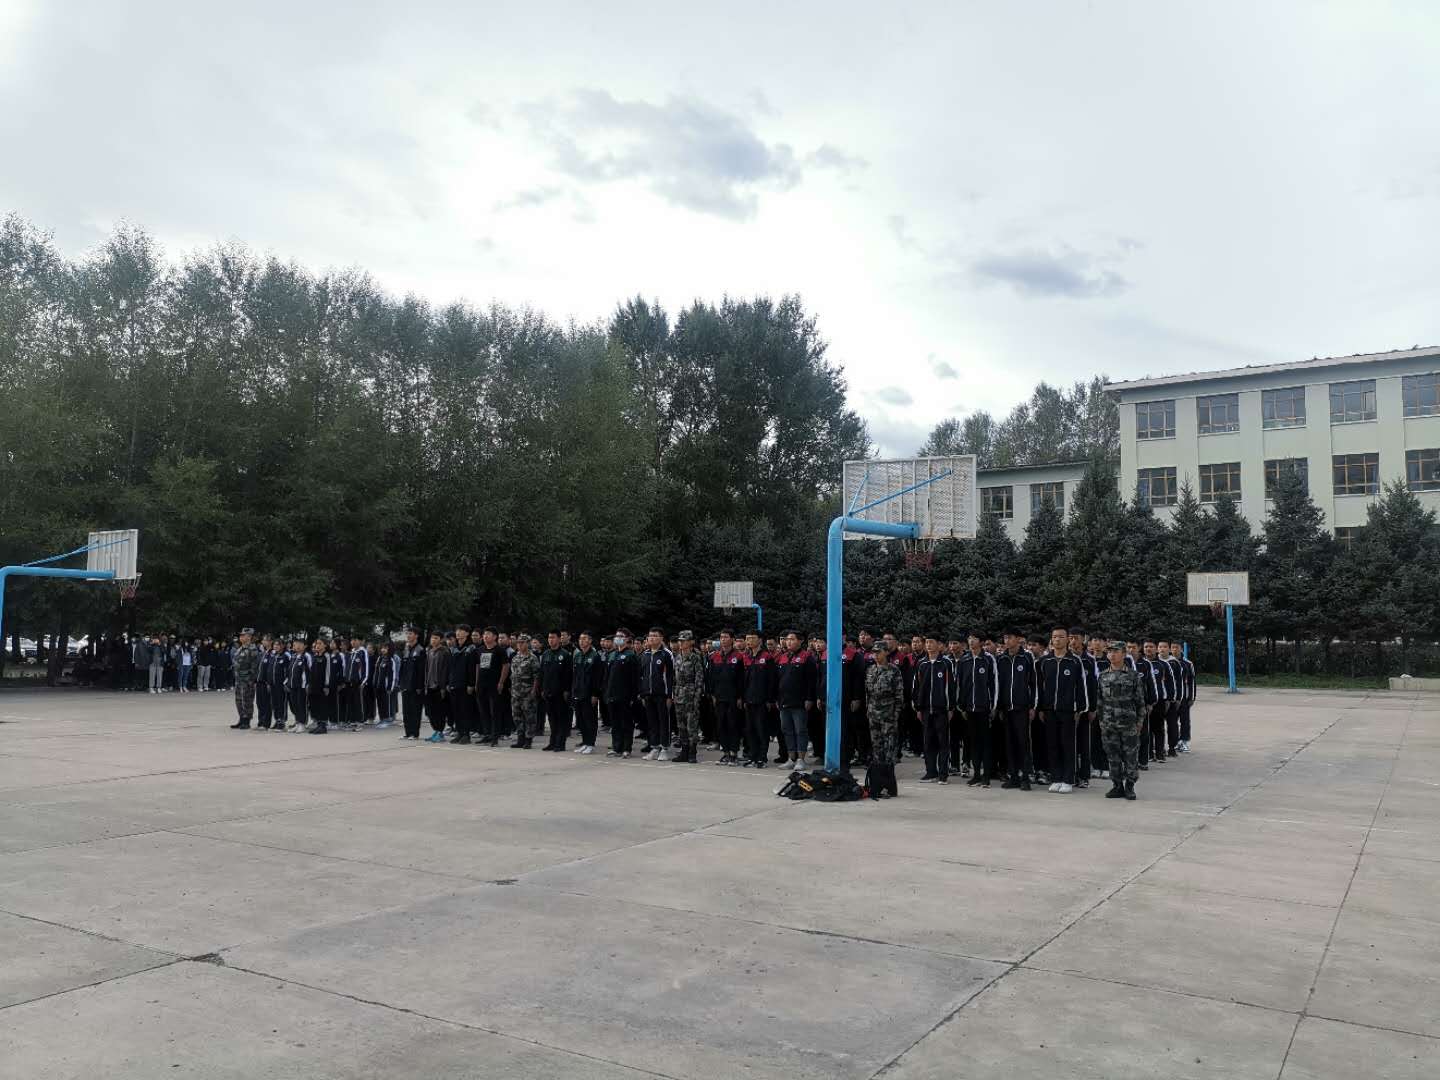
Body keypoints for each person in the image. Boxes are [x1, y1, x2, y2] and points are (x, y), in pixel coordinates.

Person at [1038, 627, 1088, 792]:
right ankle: (1056, 777)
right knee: (1052, 744)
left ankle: (1068, 779)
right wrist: (1040, 708)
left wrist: (1080, 709)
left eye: (1061, 637)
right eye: (1054, 637)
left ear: (1067, 639)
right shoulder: (1045, 661)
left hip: (1068, 710)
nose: (1057, 640)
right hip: (1049, 709)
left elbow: (1081, 686)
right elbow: (1039, 687)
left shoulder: (1074, 661)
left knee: (1067, 745)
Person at [1098, 641, 1143, 800]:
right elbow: (1100, 702)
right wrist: (1101, 722)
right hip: (1109, 724)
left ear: (1124, 654)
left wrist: (1140, 722)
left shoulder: (1133, 676)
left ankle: (1130, 786)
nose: (1112, 654)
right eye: (1109, 651)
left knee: (1130, 756)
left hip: (1128, 723)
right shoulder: (1102, 676)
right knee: (1113, 756)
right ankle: (1117, 785)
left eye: (1116, 651)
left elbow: (1140, 702)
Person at [996, 628, 1037, 791]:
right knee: (1009, 743)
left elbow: (1033, 683)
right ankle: (1013, 776)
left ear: (1018, 639)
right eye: (1005, 638)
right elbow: (998, 685)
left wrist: (1032, 706)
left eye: (1010, 637)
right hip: (1006, 708)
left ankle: (1025, 777)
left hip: (1022, 708)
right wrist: (999, 707)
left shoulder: (1026, 657)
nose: (1007, 641)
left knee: (1023, 743)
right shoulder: (1001, 658)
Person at [864, 640, 902, 797]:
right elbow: (867, 693)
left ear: (886, 652)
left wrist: (896, 714)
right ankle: (878, 784)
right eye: (874, 652)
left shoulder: (894, 670)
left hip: (888, 715)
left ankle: (889, 784)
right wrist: (868, 710)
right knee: (877, 749)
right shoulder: (871, 669)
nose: (876, 655)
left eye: (878, 652)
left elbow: (899, 695)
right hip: (873, 714)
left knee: (889, 750)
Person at [913, 634, 952, 784]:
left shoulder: (946, 663)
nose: (928, 645)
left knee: (943, 742)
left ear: (939, 644)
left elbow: (951, 686)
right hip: (925, 709)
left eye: (931, 642)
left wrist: (950, 707)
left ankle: (943, 774)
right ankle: (931, 772)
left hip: (941, 709)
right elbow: (916, 686)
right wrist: (918, 707)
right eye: (927, 642)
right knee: (928, 742)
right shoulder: (921, 663)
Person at [774, 630, 815, 771]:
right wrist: (777, 698)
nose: (788, 641)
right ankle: (791, 758)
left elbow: (811, 680)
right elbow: (778, 680)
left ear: (800, 641)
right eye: (787, 639)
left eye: (792, 639)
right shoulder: (783, 657)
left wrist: (809, 698)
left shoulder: (806, 657)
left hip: (800, 702)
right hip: (784, 701)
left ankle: (801, 759)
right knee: (787, 730)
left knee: (800, 730)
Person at [963, 633, 999, 787]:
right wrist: (961, 705)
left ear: (981, 642)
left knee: (985, 742)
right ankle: (976, 774)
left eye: (975, 639)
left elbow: (994, 683)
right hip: (969, 708)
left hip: (984, 708)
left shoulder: (988, 659)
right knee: (973, 742)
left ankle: (986, 776)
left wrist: (993, 706)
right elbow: (960, 683)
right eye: (969, 639)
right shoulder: (965, 660)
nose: (971, 641)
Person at [706, 629, 745, 765]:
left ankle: (734, 753)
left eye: (726, 637)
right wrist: (712, 694)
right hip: (719, 696)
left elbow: (741, 679)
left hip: (733, 697)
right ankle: (726, 752)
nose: (723, 639)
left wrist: (740, 696)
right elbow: (710, 677)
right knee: (721, 725)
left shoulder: (739, 657)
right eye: (721, 637)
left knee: (733, 725)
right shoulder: (714, 656)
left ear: (732, 639)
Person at [668, 630, 705, 763]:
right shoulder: (678, 657)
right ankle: (684, 751)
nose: (681, 643)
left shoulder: (695, 657)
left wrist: (697, 697)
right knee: (681, 725)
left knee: (691, 725)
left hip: (691, 695)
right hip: (679, 695)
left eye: (684, 641)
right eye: (680, 641)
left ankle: (692, 752)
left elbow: (699, 679)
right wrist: (673, 694)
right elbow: (674, 678)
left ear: (691, 642)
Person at [739, 631, 774, 768]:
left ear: (760, 640)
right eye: (747, 638)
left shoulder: (767, 657)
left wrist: (769, 699)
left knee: (761, 729)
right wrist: (743, 698)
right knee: (750, 729)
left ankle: (762, 757)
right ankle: (752, 756)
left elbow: (771, 680)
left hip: (762, 700)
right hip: (749, 699)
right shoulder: (746, 657)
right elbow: (744, 680)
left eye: (752, 638)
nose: (749, 641)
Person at [604, 628, 640, 757]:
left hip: (625, 696)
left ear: (627, 639)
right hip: (612, 694)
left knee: (626, 723)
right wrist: (606, 693)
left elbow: (634, 679)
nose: (617, 638)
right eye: (617, 635)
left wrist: (633, 697)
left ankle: (626, 748)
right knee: (615, 723)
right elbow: (607, 676)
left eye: (621, 636)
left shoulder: (631, 655)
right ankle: (616, 747)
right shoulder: (613, 655)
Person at [638, 628, 674, 761]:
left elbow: (670, 676)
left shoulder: (666, 654)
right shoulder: (645, 654)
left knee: (663, 722)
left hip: (662, 695)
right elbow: (642, 676)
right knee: (652, 722)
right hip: (648, 694)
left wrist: (670, 696)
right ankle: (654, 747)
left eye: (655, 635)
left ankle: (664, 748)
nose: (652, 638)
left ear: (661, 638)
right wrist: (642, 694)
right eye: (650, 636)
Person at [568, 631, 604, 754]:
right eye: (580, 639)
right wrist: (573, 691)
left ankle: (590, 743)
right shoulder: (578, 655)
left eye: (584, 639)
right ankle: (584, 742)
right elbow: (575, 675)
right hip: (578, 692)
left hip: (589, 693)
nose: (581, 641)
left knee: (590, 719)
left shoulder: (595, 656)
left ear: (590, 641)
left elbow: (598, 677)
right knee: (581, 720)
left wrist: (595, 694)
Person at [474, 627, 509, 746]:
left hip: (494, 685)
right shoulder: (480, 650)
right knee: (483, 711)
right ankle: (487, 734)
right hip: (481, 685)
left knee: (495, 711)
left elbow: (505, 666)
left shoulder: (499, 650)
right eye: (484, 634)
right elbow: (478, 666)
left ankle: (495, 737)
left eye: (488, 634)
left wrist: (501, 682)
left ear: (495, 637)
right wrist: (476, 682)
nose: (485, 636)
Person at [538, 631, 572, 750]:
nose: (550, 640)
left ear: (559, 639)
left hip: (560, 692)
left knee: (561, 718)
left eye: (553, 637)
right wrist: (542, 688)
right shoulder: (546, 654)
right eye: (549, 637)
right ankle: (552, 742)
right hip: (548, 691)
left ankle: (560, 743)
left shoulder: (565, 654)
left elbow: (568, 674)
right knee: (552, 718)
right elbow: (542, 673)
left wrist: (567, 690)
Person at [508, 634, 540, 748]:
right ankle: (520, 738)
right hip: (516, 692)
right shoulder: (515, 657)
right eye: (518, 642)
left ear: (528, 644)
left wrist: (534, 691)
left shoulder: (532, 658)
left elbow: (537, 676)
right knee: (516, 716)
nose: (520, 645)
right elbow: (513, 674)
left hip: (527, 692)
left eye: (522, 642)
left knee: (529, 716)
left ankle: (528, 739)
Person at [447, 624, 477, 744]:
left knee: (465, 710)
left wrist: (471, 684)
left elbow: (472, 668)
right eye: (457, 631)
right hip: (454, 683)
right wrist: (449, 682)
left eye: (461, 631)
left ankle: (466, 734)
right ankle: (459, 733)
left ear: (467, 633)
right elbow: (450, 668)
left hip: (465, 685)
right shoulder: (454, 649)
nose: (458, 633)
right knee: (456, 710)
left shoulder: (471, 649)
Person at [397, 625, 426, 740]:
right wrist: (400, 683)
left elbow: (421, 670)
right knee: (406, 710)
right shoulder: (406, 649)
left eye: (410, 633)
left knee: (415, 710)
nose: (408, 636)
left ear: (416, 636)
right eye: (407, 634)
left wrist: (419, 686)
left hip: (415, 686)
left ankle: (415, 733)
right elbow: (402, 668)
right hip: (405, 684)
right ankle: (407, 732)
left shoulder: (420, 650)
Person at [229, 628, 260, 729]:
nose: (241, 637)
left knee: (247, 700)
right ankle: (241, 718)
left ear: (249, 637)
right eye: (241, 635)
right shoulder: (240, 648)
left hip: (247, 680)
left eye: (243, 635)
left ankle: (247, 720)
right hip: (239, 679)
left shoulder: (252, 650)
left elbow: (254, 667)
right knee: (239, 700)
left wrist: (251, 680)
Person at [424, 630, 450, 743]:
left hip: (439, 686)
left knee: (439, 711)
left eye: (436, 638)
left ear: (441, 639)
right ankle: (436, 731)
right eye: (432, 638)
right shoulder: (429, 651)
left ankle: (440, 732)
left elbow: (446, 670)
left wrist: (443, 686)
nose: (433, 640)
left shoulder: (445, 652)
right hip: (429, 686)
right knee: (430, 711)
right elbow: (426, 669)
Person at [285, 636, 310, 732]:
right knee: (294, 704)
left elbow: (310, 671)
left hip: (302, 686)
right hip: (292, 685)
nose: (297, 646)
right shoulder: (293, 656)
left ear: (305, 646)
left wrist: (307, 684)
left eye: (300, 644)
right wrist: (287, 683)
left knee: (301, 704)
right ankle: (298, 722)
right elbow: (290, 671)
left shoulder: (306, 656)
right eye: (295, 644)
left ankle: (302, 724)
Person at [373, 639, 399, 729]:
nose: (383, 650)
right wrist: (375, 683)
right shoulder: (380, 658)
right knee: (380, 703)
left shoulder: (391, 660)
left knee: (386, 703)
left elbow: (393, 674)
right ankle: (382, 719)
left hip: (386, 687)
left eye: (385, 648)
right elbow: (376, 672)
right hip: (378, 686)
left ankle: (388, 720)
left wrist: (390, 687)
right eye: (382, 648)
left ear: (389, 649)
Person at [268, 637, 290, 732]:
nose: (276, 646)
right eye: (275, 645)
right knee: (274, 703)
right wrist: (269, 682)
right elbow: (270, 670)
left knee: (282, 703)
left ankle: (282, 722)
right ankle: (277, 720)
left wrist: (286, 683)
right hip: (273, 684)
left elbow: (288, 671)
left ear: (283, 646)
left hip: (281, 685)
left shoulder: (286, 656)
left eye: (278, 645)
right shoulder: (273, 655)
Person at [255, 634, 275, 729]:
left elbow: (270, 669)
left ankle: (266, 723)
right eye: (263, 640)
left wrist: (269, 682)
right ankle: (260, 722)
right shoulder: (263, 653)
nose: (263, 642)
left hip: (266, 682)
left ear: (270, 642)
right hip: (259, 681)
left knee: (266, 703)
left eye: (265, 640)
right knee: (259, 703)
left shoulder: (272, 653)